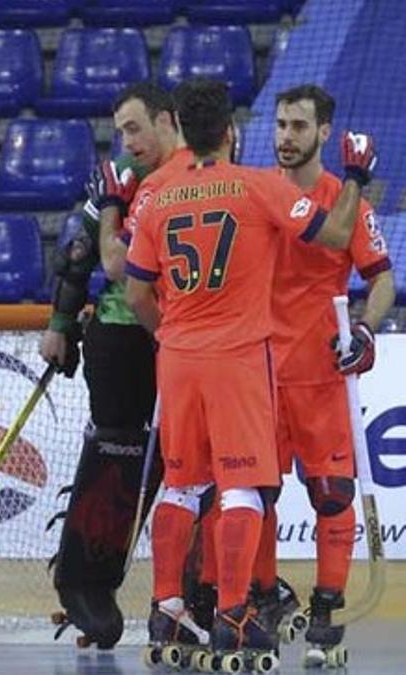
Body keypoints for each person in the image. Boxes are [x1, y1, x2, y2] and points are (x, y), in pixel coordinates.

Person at [124, 77, 376, 662]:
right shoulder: (256, 186)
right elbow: (337, 232)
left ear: (182, 132)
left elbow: (136, 290)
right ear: (233, 132)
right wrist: (357, 175)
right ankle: (235, 615)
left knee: (183, 484)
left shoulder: (159, 198)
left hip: (178, 357)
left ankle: (167, 613)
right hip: (238, 358)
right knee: (240, 486)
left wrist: (169, 333)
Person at [40, 81, 187, 648]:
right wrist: (58, 326)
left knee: (187, 469)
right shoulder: (118, 174)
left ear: (166, 121)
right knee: (116, 457)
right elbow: (78, 249)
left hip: (189, 339)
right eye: (120, 131)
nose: (126, 142)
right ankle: (85, 583)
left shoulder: (199, 170)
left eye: (134, 128)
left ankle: (190, 594)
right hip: (122, 332)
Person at [264, 83, 394, 654]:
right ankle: (259, 597)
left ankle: (325, 608)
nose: (286, 137)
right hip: (260, 372)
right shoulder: (256, 195)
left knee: (334, 495)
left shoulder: (349, 203)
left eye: (298, 126)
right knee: (249, 495)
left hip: (322, 374)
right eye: (280, 125)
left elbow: (383, 278)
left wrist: (365, 330)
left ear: (323, 133)